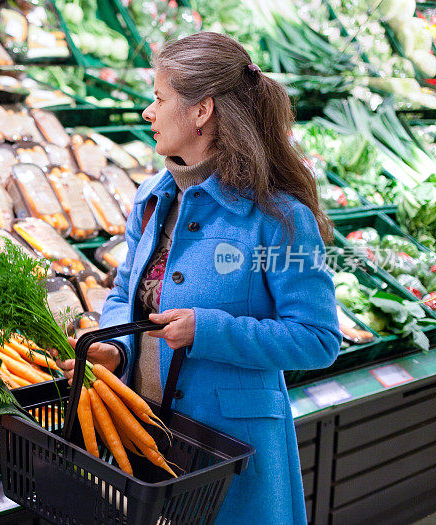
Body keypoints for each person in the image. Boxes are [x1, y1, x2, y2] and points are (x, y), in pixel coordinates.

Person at [53, 32, 342, 524]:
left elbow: (318, 340)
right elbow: (126, 291)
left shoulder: (278, 217)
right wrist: (117, 346)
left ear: (201, 111)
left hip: (230, 453)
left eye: (160, 98)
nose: (148, 112)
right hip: (143, 436)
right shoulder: (153, 195)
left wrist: (208, 330)